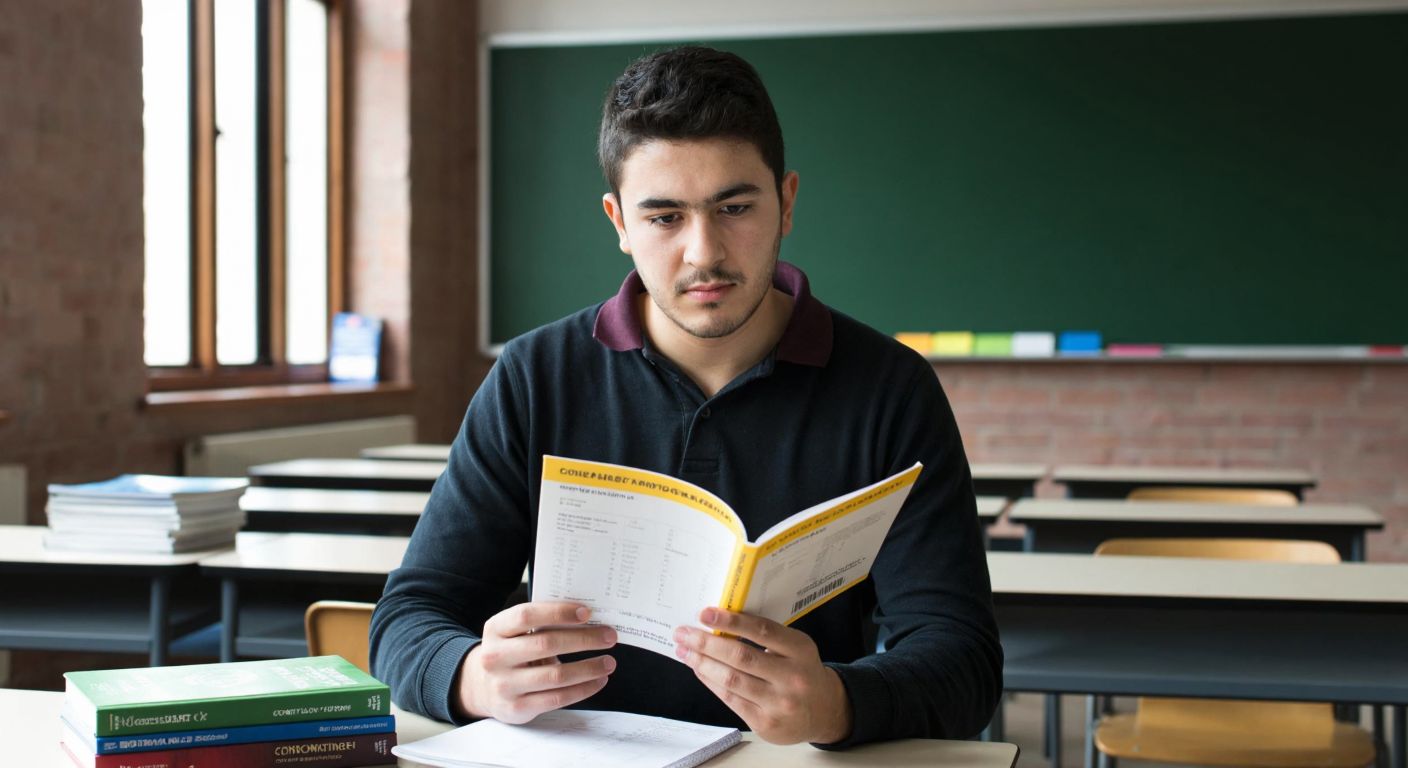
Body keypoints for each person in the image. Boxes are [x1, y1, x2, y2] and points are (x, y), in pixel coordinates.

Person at [370, 45, 1002, 748]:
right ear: (618, 221)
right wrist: (471, 678)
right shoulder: (533, 376)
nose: (703, 251)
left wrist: (835, 702)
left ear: (786, 202)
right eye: (665, 217)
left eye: (734, 206)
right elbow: (407, 619)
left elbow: (964, 662)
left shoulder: (891, 389)